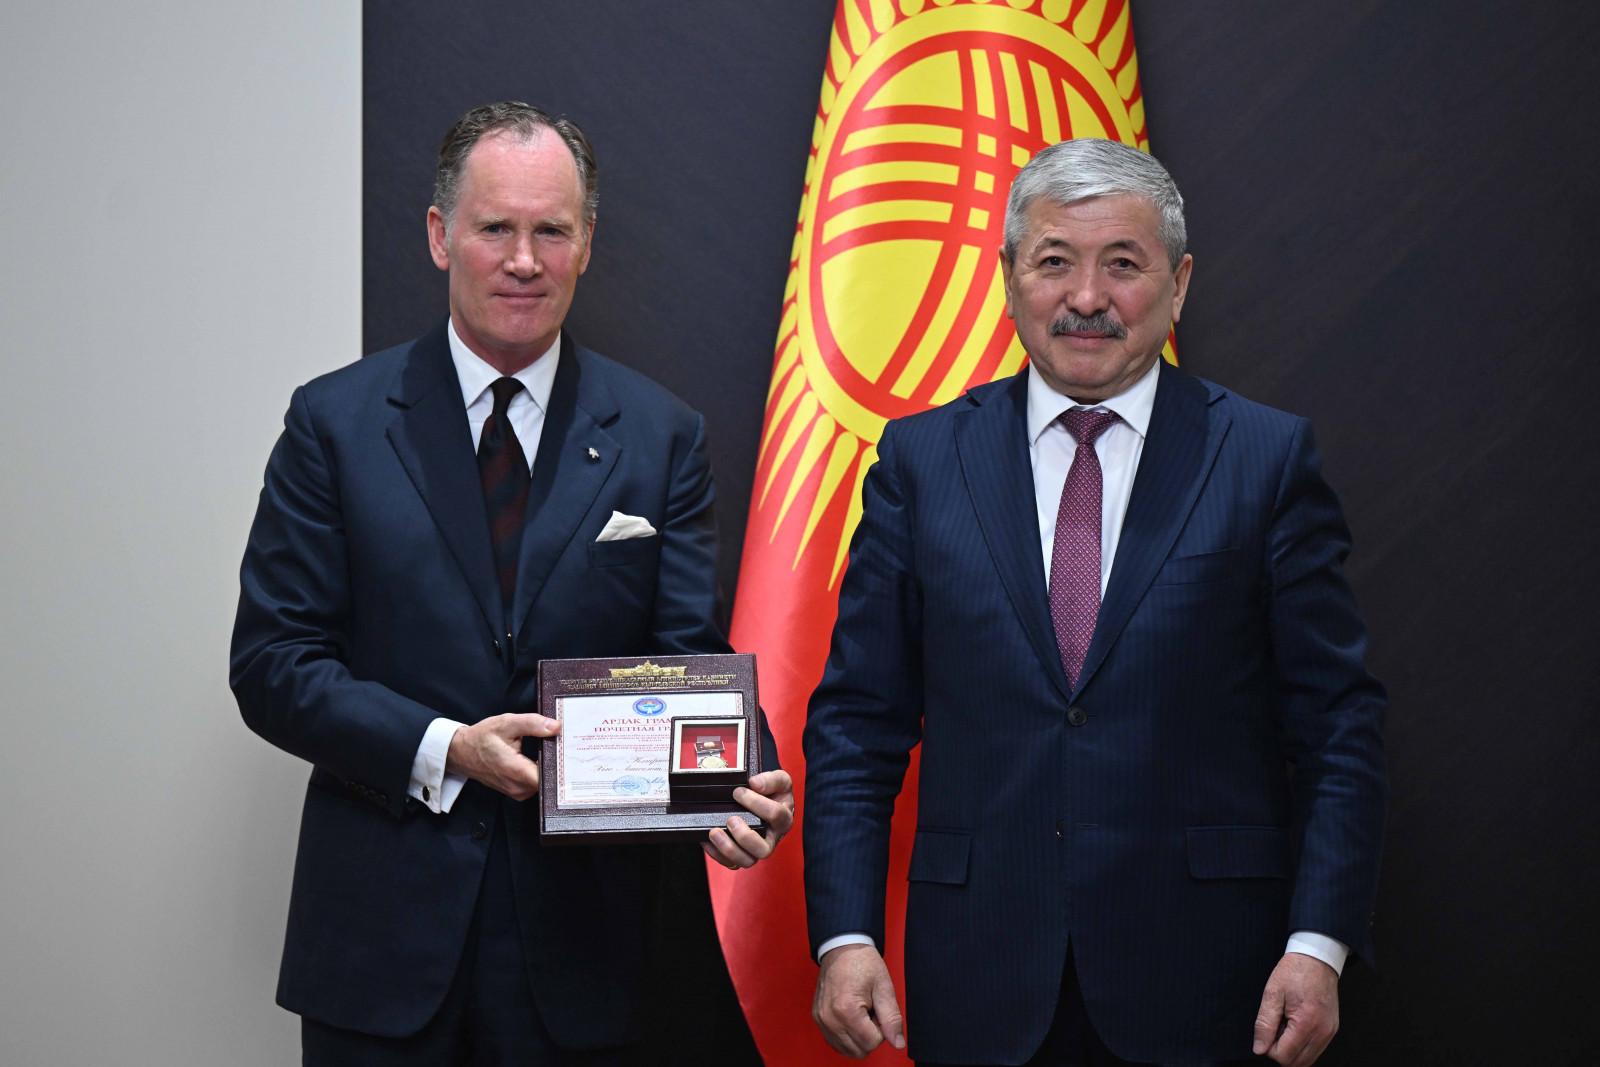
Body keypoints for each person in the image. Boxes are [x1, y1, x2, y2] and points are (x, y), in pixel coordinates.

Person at [231, 101, 793, 1065]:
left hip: (588, 958)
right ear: (440, 235)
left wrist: (734, 785)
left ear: (587, 244)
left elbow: (686, 657)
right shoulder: (334, 424)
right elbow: (273, 664)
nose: (524, 261)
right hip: (382, 949)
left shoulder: (661, 436)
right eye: (496, 228)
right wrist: (448, 747)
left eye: (552, 231)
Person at [802, 138, 1386, 1066]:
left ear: (1178, 284)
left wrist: (1319, 943)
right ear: (1008, 276)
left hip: (1210, 981)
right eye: (1053, 262)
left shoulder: (1264, 460)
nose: (1085, 297)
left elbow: (1338, 726)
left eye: (1122, 263)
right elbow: (854, 724)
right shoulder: (922, 460)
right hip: (979, 974)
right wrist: (845, 934)